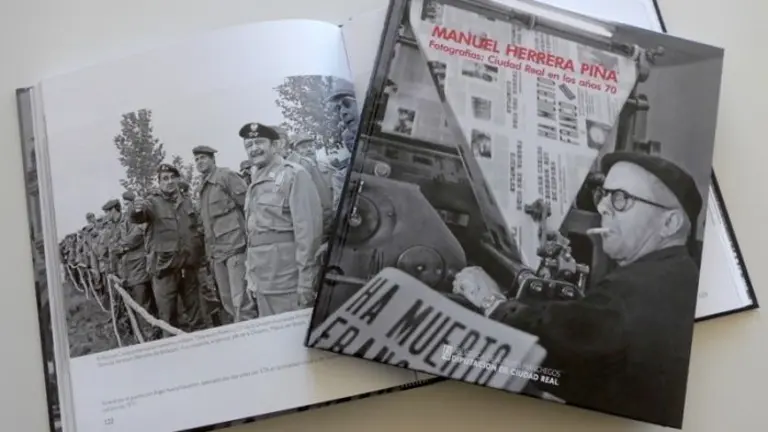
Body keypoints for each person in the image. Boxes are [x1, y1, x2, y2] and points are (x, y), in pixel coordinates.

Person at [452, 152, 702, 428]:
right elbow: (595, 326)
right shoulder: (678, 275)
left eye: (621, 198)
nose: (603, 207)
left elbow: (551, 346)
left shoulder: (636, 289)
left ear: (669, 223)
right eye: (603, 195)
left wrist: (492, 302)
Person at [239, 122, 323, 316]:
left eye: (259, 142)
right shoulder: (254, 183)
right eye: (249, 145)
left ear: (275, 145)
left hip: (288, 282)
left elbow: (308, 234)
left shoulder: (294, 174)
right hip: (263, 282)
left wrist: (306, 281)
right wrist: (251, 278)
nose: (254, 148)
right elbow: (254, 237)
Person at [131, 163, 207, 336]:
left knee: (196, 317)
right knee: (168, 320)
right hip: (164, 270)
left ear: (178, 179)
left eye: (173, 177)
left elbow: (197, 228)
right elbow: (139, 216)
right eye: (165, 179)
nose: (169, 181)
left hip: (188, 267)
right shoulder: (152, 202)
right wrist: (136, 209)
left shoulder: (187, 202)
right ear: (159, 183)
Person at [193, 145, 257, 322]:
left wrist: (252, 240)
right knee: (227, 301)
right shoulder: (202, 188)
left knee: (241, 302)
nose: (199, 162)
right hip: (217, 253)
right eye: (197, 159)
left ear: (213, 159)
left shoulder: (226, 176)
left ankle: (251, 333)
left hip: (235, 247)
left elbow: (249, 206)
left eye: (203, 158)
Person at [115, 190, 161, 341]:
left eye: (128, 203)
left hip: (140, 265)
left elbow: (137, 236)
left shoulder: (140, 217)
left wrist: (122, 245)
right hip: (130, 268)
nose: (127, 207)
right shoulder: (124, 222)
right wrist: (121, 246)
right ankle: (148, 331)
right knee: (139, 301)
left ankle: (150, 334)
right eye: (125, 204)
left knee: (143, 302)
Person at [286, 137, 335, 237]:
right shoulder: (294, 175)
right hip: (314, 230)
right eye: (303, 147)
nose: (309, 149)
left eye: (310, 146)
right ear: (296, 152)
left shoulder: (328, 169)